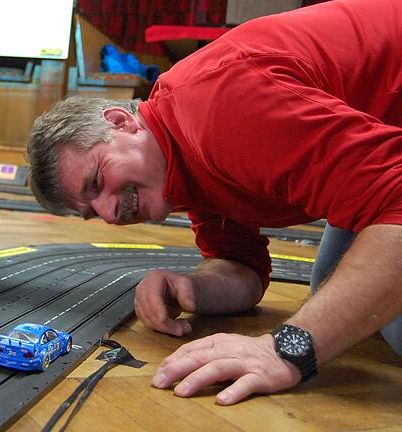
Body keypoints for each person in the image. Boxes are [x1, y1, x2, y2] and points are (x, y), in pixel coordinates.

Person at [27, 0, 402, 405]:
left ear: (122, 122)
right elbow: (244, 268)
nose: (108, 213)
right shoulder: (180, 167)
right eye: (91, 212)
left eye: (97, 181)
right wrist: (194, 287)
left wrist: (284, 350)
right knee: (338, 287)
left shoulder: (221, 111)